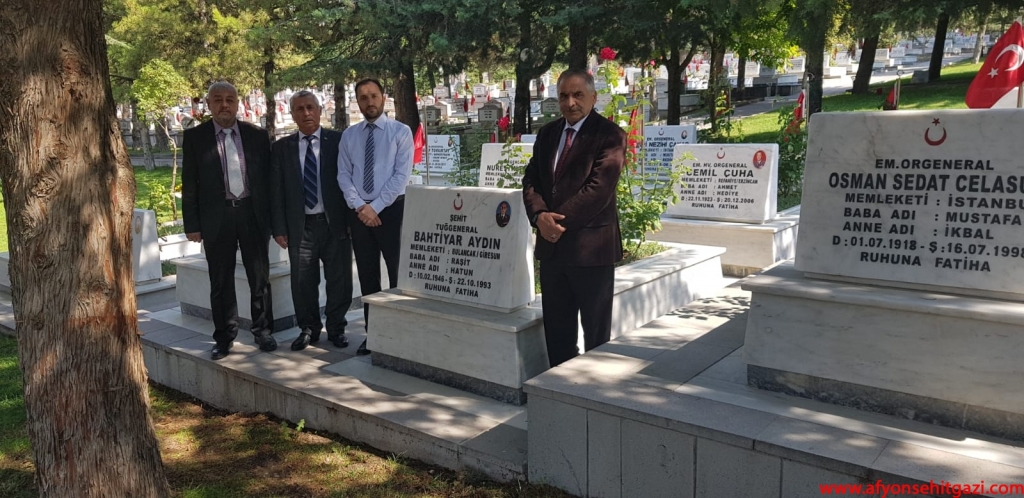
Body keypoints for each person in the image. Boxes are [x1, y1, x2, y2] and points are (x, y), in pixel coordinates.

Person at [522, 69, 626, 368]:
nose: (570, 103)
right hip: (553, 251)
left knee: (596, 334)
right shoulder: (548, 134)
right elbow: (531, 180)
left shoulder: (610, 135)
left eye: (578, 95)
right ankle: (559, 385)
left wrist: (556, 223)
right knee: (557, 332)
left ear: (593, 97)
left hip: (591, 250)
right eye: (564, 96)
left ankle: (593, 389)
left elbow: (598, 189)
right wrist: (539, 216)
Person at [182, 81, 276, 360]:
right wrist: (192, 225)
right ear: (209, 104)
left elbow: (269, 181)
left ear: (238, 104)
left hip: (252, 214)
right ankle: (224, 337)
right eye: (218, 100)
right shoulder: (195, 138)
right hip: (217, 217)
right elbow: (190, 184)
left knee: (259, 277)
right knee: (220, 280)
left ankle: (263, 331)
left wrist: (273, 220)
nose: (224, 105)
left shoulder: (257, 136)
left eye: (230, 100)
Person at [270, 90, 354, 351]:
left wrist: (351, 220)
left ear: (319, 111)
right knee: (303, 282)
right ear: (292, 114)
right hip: (301, 227)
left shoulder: (338, 141)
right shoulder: (282, 148)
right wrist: (279, 228)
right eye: (300, 109)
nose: (306, 113)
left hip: (335, 224)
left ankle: (337, 328)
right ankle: (309, 329)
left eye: (310, 107)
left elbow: (351, 181)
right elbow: (276, 191)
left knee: (339, 279)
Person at [338, 78, 413, 356]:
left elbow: (400, 176)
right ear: (357, 102)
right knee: (368, 277)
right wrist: (361, 207)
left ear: (383, 97)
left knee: (397, 275)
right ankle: (374, 335)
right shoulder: (349, 136)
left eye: (373, 96)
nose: (369, 102)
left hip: (392, 211)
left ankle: (399, 335)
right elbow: (343, 175)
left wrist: (376, 207)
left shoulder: (400, 132)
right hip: (360, 214)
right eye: (363, 97)